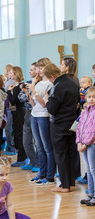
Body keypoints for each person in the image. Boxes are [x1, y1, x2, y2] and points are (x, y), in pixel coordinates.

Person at [43, 63, 81, 193]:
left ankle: (64, 186)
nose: (50, 81)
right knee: (70, 153)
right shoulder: (73, 82)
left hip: (59, 124)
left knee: (61, 154)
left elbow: (52, 109)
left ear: (52, 76)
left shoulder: (57, 86)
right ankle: (70, 183)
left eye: (49, 79)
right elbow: (77, 103)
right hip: (71, 122)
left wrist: (47, 100)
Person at [27, 57, 55, 186]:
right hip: (34, 115)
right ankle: (41, 173)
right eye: (37, 67)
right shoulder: (37, 83)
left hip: (43, 116)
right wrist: (28, 92)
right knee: (39, 146)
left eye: (41, 67)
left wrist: (34, 91)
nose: (39, 70)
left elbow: (44, 105)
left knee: (47, 147)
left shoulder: (49, 84)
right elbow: (33, 103)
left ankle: (50, 175)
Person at [18, 63, 39, 172]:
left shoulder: (40, 84)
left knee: (38, 141)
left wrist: (30, 93)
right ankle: (32, 161)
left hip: (38, 113)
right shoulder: (28, 83)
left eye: (32, 70)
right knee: (26, 140)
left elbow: (36, 99)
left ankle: (39, 163)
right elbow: (20, 97)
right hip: (28, 112)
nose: (30, 71)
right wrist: (27, 92)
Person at [76, 87, 95, 206]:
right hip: (83, 144)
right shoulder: (85, 111)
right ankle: (91, 194)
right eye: (89, 97)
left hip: (91, 144)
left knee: (93, 170)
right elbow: (79, 127)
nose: (91, 99)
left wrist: (85, 143)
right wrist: (79, 142)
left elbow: (93, 130)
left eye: (94, 97)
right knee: (88, 170)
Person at [7, 66, 27, 166]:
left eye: (11, 73)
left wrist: (8, 92)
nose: (10, 75)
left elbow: (13, 101)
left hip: (19, 113)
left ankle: (21, 159)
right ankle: (23, 158)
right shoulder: (20, 86)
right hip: (22, 112)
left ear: (15, 74)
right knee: (20, 135)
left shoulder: (16, 88)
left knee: (19, 135)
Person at [3, 63, 16, 155]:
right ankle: (10, 146)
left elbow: (5, 92)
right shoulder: (8, 81)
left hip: (10, 108)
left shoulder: (11, 82)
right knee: (8, 128)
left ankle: (11, 147)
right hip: (7, 107)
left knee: (9, 128)